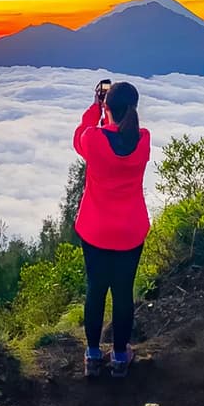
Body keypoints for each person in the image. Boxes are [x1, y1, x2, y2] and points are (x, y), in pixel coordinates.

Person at [72, 80, 151, 378]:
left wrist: (96, 107)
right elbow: (121, 134)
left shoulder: (93, 140)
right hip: (130, 232)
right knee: (122, 293)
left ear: (108, 107)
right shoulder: (143, 140)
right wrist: (108, 112)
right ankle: (120, 357)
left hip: (95, 231)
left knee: (95, 291)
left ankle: (92, 356)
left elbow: (80, 137)